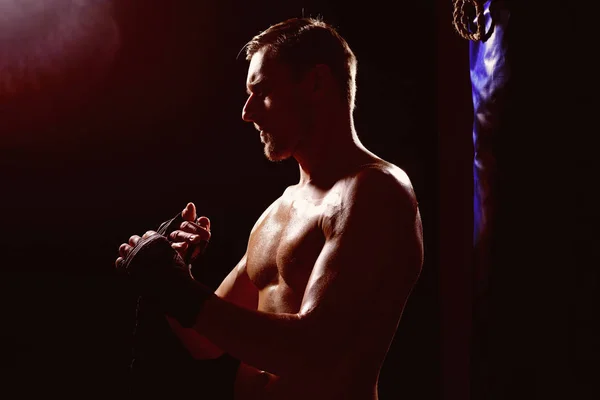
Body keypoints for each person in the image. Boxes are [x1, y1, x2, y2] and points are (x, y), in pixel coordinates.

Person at [116, 17, 424, 400]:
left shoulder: (375, 191)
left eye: (261, 92)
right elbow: (204, 341)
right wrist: (174, 273)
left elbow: (313, 350)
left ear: (315, 83)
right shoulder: (279, 211)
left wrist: (180, 291)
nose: (247, 112)